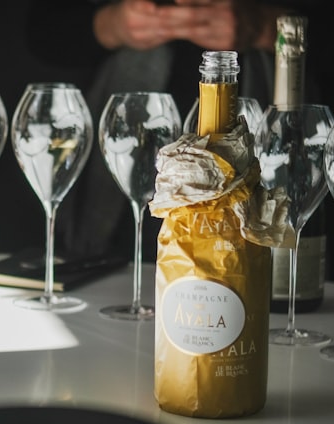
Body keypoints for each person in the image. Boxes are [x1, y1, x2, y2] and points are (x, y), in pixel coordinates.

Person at [24, 0, 291, 260]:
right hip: (131, 143)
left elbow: (330, 32)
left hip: (254, 134)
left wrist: (262, 25)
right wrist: (112, 24)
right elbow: (42, 29)